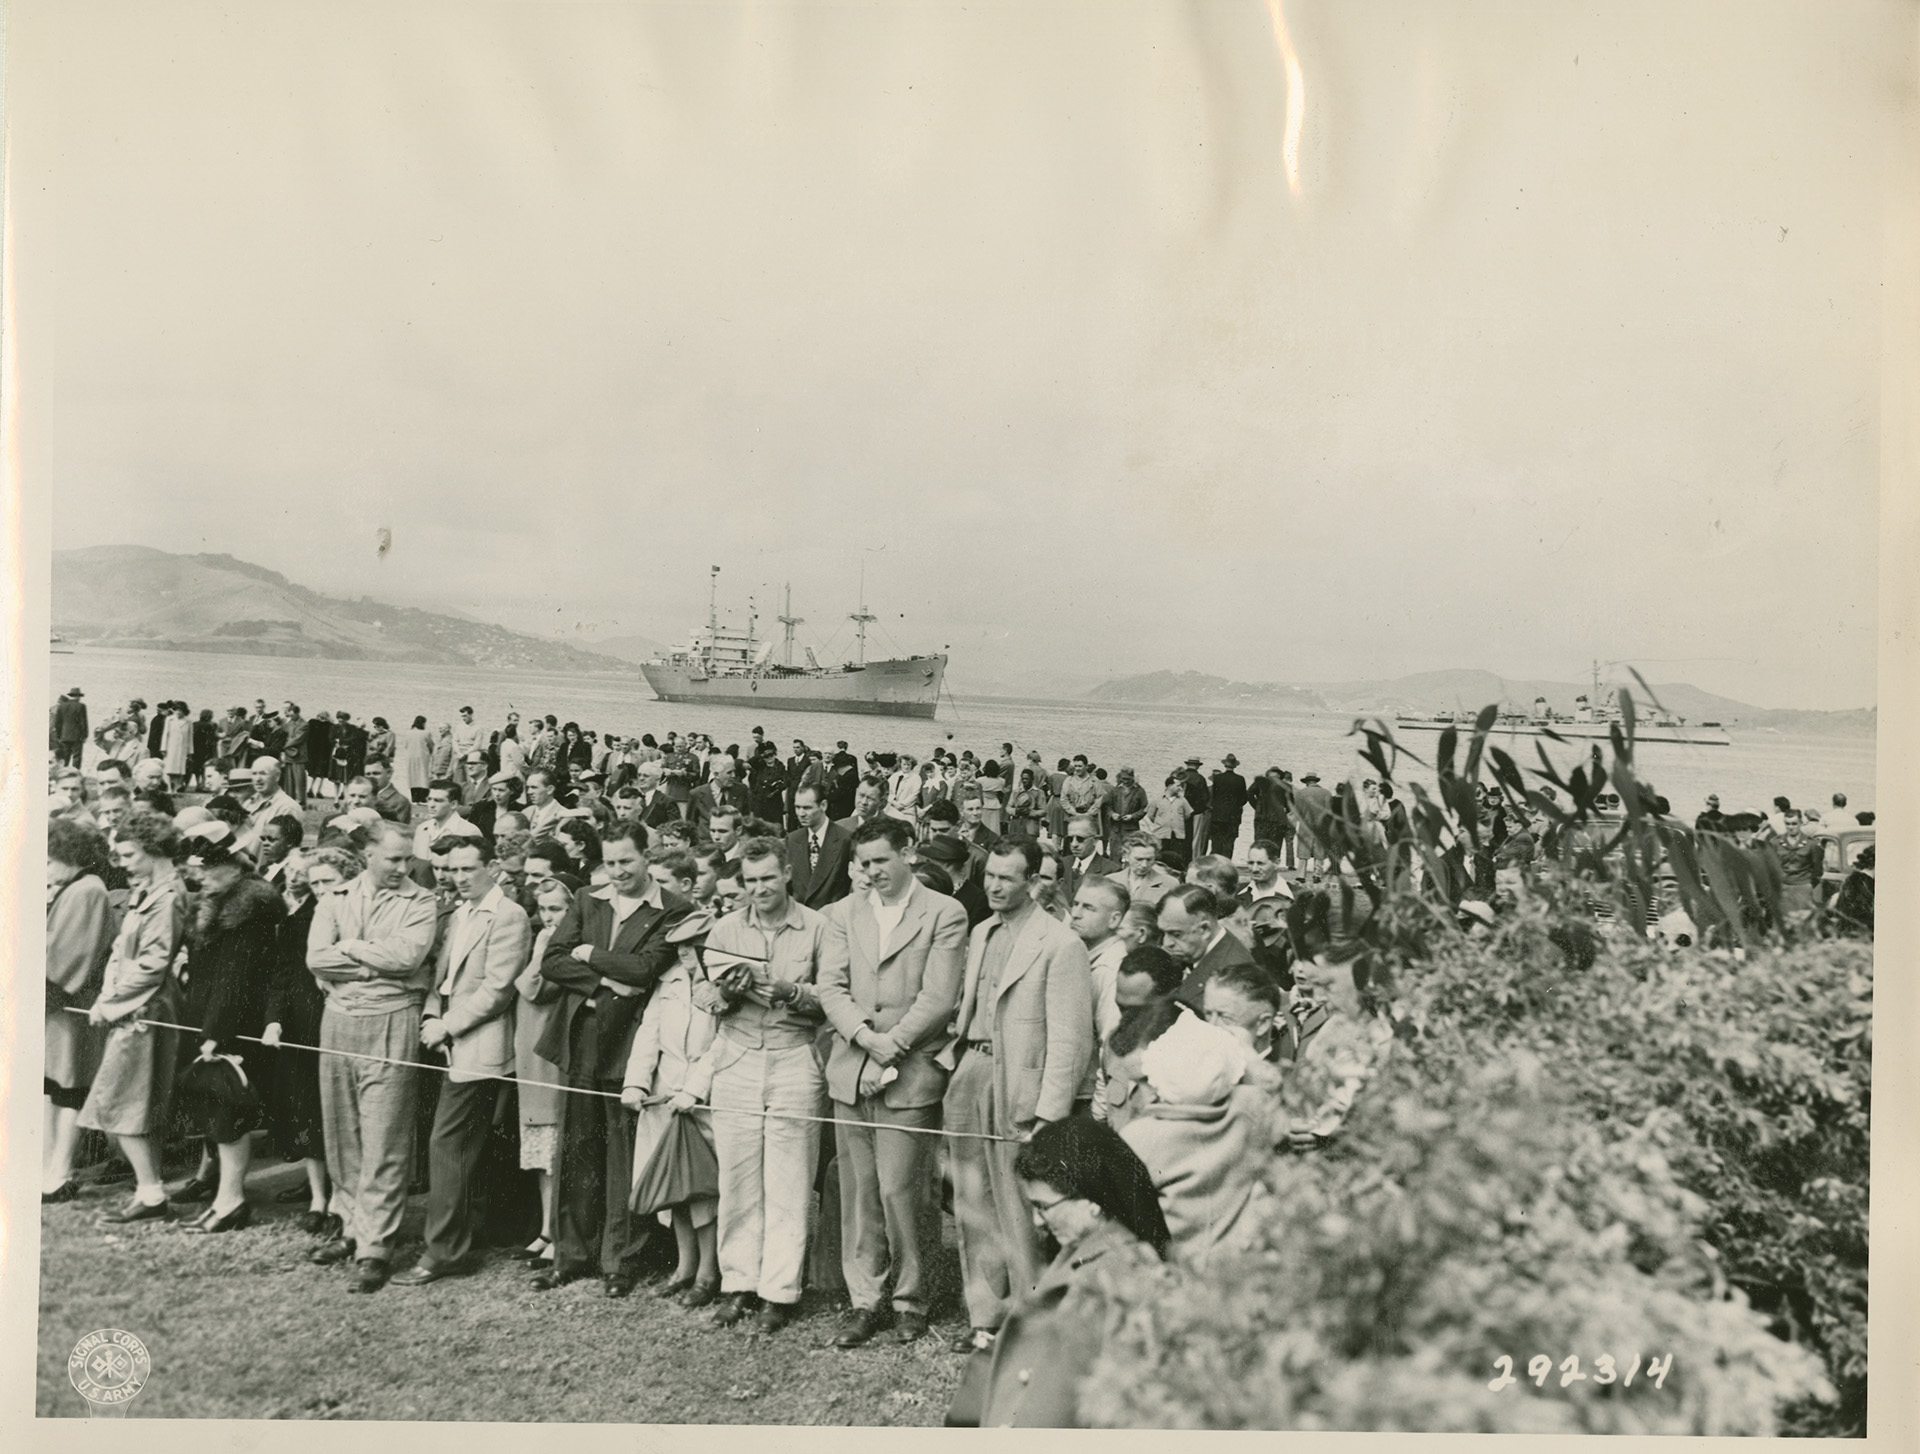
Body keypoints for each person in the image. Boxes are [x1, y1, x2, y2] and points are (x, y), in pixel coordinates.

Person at [815, 817, 968, 1348]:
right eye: (864, 863)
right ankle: (865, 1300)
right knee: (860, 1193)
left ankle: (911, 1298)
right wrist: (864, 1038)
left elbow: (939, 997)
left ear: (908, 853)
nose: (872, 871)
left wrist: (893, 1046)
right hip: (852, 1070)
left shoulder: (946, 913)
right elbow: (830, 987)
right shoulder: (842, 914)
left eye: (881, 860)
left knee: (905, 1192)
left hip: (910, 1074)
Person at [939, 838, 1095, 1354]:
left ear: (1033, 882)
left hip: (1022, 1087)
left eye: (1008, 878)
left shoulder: (1060, 944)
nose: (997, 887)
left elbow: (1070, 1039)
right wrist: (954, 1062)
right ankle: (985, 1317)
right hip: (972, 1072)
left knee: (1017, 1208)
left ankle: (1028, 1323)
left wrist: (1048, 1115)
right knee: (972, 1200)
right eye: (991, 877)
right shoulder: (982, 931)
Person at [533, 822, 690, 1295]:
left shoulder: (674, 910)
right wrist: (604, 981)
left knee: (625, 1159)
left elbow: (644, 970)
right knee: (577, 1151)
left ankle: (621, 1261)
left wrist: (590, 953)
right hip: (581, 1042)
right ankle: (571, 1253)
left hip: (630, 1048)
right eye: (611, 862)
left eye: (627, 861)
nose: (619, 871)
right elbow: (553, 960)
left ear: (647, 856)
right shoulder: (588, 900)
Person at [946, 1116, 1170, 1428]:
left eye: (1043, 1207)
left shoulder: (1123, 1278)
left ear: (1091, 1200)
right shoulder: (1083, 1249)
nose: (1038, 1222)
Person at [305, 823, 440, 1293]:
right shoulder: (335, 896)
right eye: (393, 860)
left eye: (408, 860)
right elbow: (316, 958)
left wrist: (350, 954)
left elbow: (407, 956)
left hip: (391, 1021)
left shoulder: (421, 901)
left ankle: (375, 1247)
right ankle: (349, 1227)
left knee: (385, 1135)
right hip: (339, 1021)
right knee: (343, 1130)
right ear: (367, 855)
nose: (403, 868)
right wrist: (368, 965)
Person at [393, 837, 532, 1285]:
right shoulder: (460, 913)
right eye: (451, 870)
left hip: (481, 1048)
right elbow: (444, 977)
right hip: (446, 1040)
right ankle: (459, 1238)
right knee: (457, 1146)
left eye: (467, 869)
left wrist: (447, 1025)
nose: (458, 878)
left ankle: (444, 1252)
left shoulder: (509, 915)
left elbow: (497, 991)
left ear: (490, 866)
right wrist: (433, 1015)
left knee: (446, 1146)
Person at [172, 821, 285, 1233]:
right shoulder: (220, 899)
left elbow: (235, 979)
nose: (200, 874)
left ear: (234, 866)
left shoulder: (249, 907)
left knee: (229, 1114)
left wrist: (214, 1035)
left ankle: (232, 1200)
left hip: (233, 1026)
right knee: (217, 1113)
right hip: (211, 1021)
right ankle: (224, 1198)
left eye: (209, 866)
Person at [78, 809, 189, 1223]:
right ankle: (151, 1190)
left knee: (122, 1101)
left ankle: (151, 1193)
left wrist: (111, 1004)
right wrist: (108, 994)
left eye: (127, 853)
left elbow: (152, 964)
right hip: (135, 1003)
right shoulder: (150, 889)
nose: (120, 862)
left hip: (147, 1007)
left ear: (152, 850)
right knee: (135, 1103)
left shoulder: (168, 895)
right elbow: (124, 953)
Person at [1110, 999, 1271, 1266]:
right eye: (1132, 1085)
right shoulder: (1254, 1104)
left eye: (1149, 1080)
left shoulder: (1141, 1137)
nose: (1142, 1099)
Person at [620, 910, 724, 1307]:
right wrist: (636, 1082)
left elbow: (721, 1043)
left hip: (702, 1102)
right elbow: (649, 1033)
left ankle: (708, 1272)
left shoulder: (723, 986)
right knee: (673, 1185)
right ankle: (684, 1266)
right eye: (679, 946)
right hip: (664, 1096)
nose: (684, 954)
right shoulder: (670, 982)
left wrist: (695, 1091)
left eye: (693, 945)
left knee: (703, 1189)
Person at [264, 846, 353, 1235]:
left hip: (345, 1022)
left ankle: (344, 1198)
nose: (320, 889)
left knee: (342, 1114)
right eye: (314, 882)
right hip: (302, 1025)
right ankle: (318, 1196)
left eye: (328, 881)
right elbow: (281, 973)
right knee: (308, 1111)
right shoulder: (300, 918)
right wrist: (274, 1020)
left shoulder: (358, 915)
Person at [44, 818, 117, 1202]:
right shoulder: (75, 888)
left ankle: (59, 1172)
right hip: (57, 1007)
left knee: (68, 1090)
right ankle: (45, 1168)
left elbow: (68, 956)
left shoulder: (88, 891)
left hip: (71, 1004)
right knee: (51, 1087)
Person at [509, 877, 575, 1267]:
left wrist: (539, 952)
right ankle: (546, 1227)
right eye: (544, 910)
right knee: (537, 1145)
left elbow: (534, 986)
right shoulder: (544, 940)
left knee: (554, 1146)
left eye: (556, 909)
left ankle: (558, 1231)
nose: (548, 918)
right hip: (529, 1055)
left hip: (551, 1057)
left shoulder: (556, 947)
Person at [1158, 882, 1256, 1012]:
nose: (1167, 943)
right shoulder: (1204, 951)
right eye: (1164, 933)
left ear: (1205, 929)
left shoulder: (1233, 974)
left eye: (1176, 934)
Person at [1069, 876, 1132, 1051]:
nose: (1075, 914)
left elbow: (1109, 1043)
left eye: (1088, 908)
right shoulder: (1090, 956)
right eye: (1075, 904)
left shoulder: (1111, 969)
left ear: (1114, 920)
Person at [786, 783, 854, 908]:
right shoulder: (792, 840)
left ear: (823, 805)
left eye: (807, 808)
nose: (800, 813)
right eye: (797, 807)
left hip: (832, 920)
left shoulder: (846, 839)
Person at [236, 755, 302, 854]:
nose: (257, 779)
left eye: (263, 774)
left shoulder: (287, 807)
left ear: (277, 776)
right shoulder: (248, 803)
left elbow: (288, 848)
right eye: (254, 774)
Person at [1061, 816, 1118, 901]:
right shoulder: (1061, 864)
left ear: (1095, 840)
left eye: (1080, 839)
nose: (1074, 844)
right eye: (1070, 839)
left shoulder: (1111, 871)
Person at [1292, 772, 1333, 876]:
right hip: (1321, 826)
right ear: (1316, 781)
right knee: (1319, 852)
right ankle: (1317, 875)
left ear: (1307, 782)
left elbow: (1297, 811)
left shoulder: (1300, 793)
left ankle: (1301, 875)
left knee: (1303, 851)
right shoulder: (1326, 793)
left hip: (1305, 825)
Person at [363, 757, 413, 824]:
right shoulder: (360, 796)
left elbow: (398, 829)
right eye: (367, 774)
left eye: (376, 773)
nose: (371, 777)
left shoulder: (400, 802)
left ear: (389, 773)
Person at [398, 716, 434, 802]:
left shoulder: (408, 733)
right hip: (423, 757)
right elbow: (431, 746)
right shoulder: (426, 733)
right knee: (423, 777)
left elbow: (405, 745)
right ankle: (423, 798)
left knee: (413, 778)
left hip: (411, 758)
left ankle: (415, 798)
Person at [52, 687, 89, 766]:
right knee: (76, 756)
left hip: (64, 735)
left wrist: (59, 736)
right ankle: (74, 773)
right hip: (77, 736)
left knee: (65, 756)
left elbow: (57, 723)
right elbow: (83, 722)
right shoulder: (81, 706)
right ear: (78, 696)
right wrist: (85, 735)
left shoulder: (62, 706)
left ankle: (63, 772)